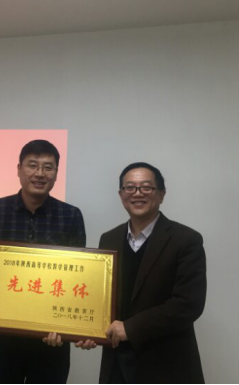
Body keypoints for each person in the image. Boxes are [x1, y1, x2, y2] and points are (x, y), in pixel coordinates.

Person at [0, 140, 87, 384]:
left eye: (48, 167)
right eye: (32, 165)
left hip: (51, 339)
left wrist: (66, 325)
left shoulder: (71, 215)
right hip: (2, 336)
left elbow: (78, 275)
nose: (40, 174)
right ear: (19, 169)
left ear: (56, 173)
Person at [78, 162, 207, 384]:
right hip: (117, 363)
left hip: (167, 364)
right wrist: (88, 329)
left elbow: (188, 304)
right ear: (121, 195)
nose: (137, 193)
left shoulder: (186, 239)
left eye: (146, 187)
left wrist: (130, 328)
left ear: (162, 194)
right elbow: (101, 297)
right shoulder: (109, 239)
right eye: (130, 187)